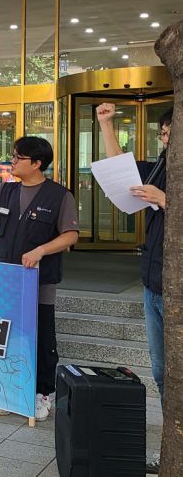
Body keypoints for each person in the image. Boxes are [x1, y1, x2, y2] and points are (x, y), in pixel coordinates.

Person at [0, 136, 79, 421]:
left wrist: (41, 250)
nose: (12, 161)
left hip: (40, 281)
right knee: (7, 335)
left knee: (41, 337)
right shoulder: (6, 190)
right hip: (5, 279)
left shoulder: (59, 196)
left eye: (18, 157)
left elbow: (70, 235)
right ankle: (7, 389)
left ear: (36, 163)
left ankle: (43, 392)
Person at [97, 103, 169, 402]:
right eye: (163, 134)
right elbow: (120, 169)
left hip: (173, 288)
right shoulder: (160, 166)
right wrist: (106, 124)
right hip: (152, 282)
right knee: (160, 371)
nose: (165, 140)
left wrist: (165, 199)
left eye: (170, 134)